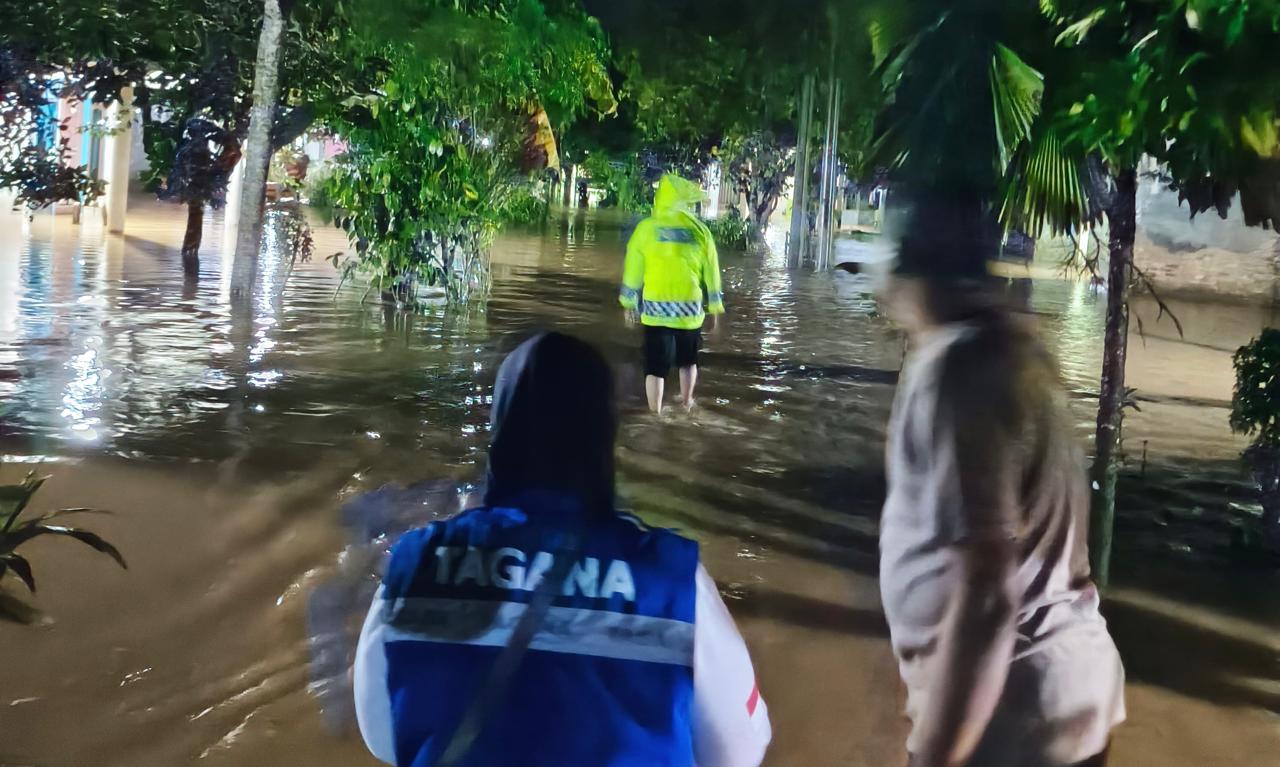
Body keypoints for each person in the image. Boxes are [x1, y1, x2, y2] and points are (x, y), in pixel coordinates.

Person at [354, 332, 771, 767]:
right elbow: (739, 751)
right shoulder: (670, 577)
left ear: (502, 431)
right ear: (601, 435)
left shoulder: (416, 563)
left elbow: (382, 735)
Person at [878, 196, 1125, 767]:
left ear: (914, 272)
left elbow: (989, 585)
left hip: (1011, 716)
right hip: (1060, 694)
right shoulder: (1017, 355)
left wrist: (937, 754)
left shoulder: (958, 370)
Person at [619, 174, 725, 413]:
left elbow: (633, 270)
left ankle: (655, 415)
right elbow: (712, 273)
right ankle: (687, 404)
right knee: (688, 361)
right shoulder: (700, 231)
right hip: (690, 310)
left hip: (656, 310)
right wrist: (715, 308)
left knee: (655, 367)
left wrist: (628, 302)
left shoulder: (646, 229)